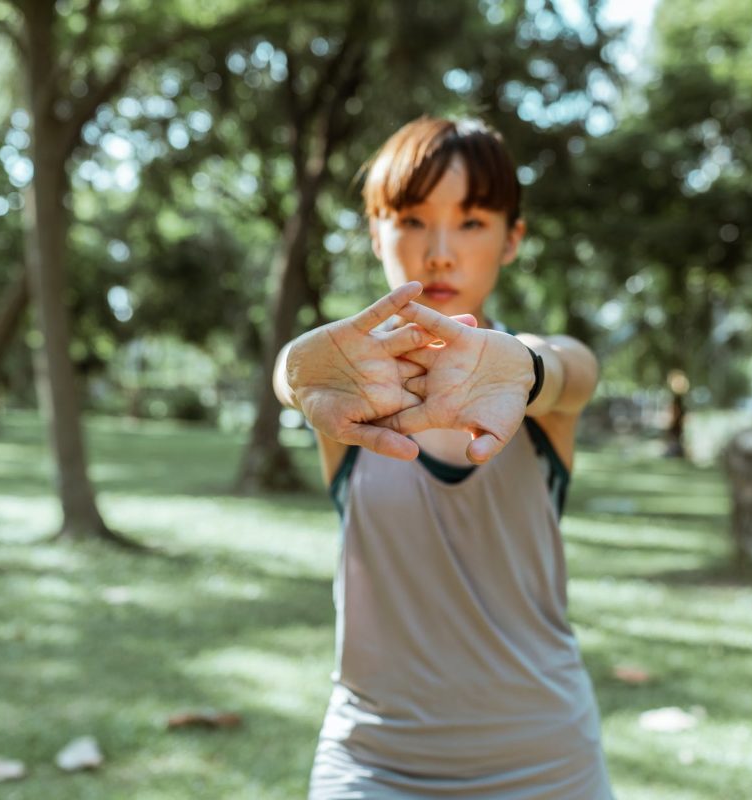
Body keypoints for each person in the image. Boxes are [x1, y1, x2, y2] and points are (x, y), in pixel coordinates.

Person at [274, 116, 614, 799]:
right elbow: (297, 378)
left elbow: (576, 371)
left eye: (472, 221)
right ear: (376, 233)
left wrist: (530, 373)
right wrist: (289, 374)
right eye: (410, 219)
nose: (438, 252)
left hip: (546, 765)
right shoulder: (346, 388)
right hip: (372, 766)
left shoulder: (533, 378)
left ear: (512, 238)